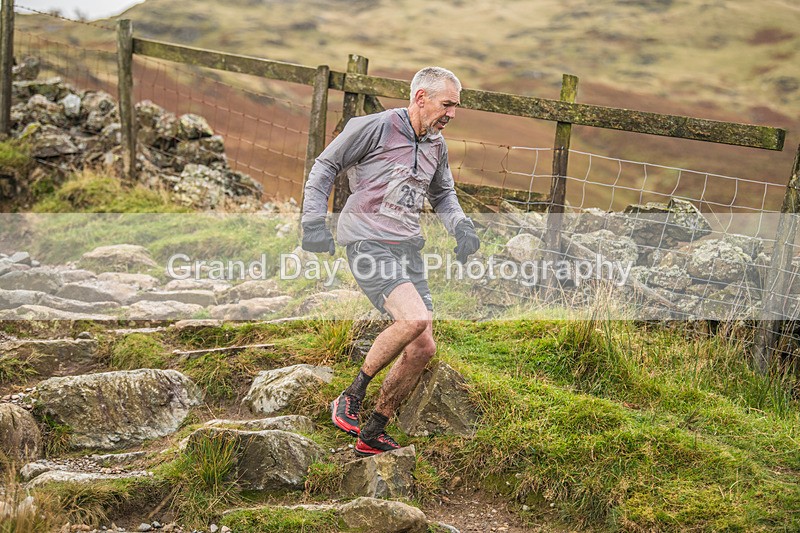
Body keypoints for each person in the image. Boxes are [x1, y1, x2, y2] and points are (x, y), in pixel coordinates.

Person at [301, 66, 480, 456]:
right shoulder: (376, 127)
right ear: (420, 98)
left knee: (423, 347)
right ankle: (351, 396)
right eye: (446, 104)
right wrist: (313, 222)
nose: (452, 113)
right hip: (367, 240)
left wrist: (461, 229)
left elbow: (444, 194)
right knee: (413, 319)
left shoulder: (436, 144)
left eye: (456, 106)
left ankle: (375, 428)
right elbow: (324, 166)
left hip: (408, 248)